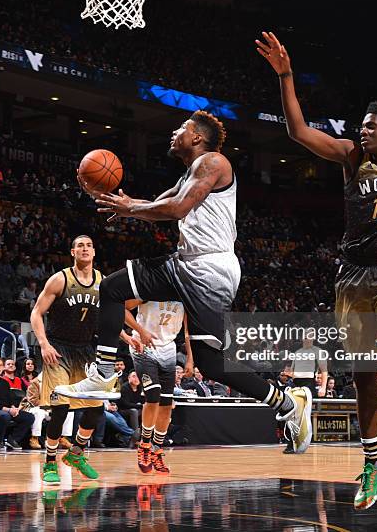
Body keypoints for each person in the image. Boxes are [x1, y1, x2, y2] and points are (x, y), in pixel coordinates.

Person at [256, 31, 377, 512]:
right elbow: (298, 133)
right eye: (360, 126)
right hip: (352, 276)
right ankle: (372, 464)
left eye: (369, 127)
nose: (360, 130)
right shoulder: (351, 157)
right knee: (364, 373)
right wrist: (286, 77)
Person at [63, 111, 312, 456]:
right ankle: (285, 404)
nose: (175, 133)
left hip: (208, 268)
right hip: (189, 264)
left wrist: (130, 208)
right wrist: (117, 202)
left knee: (118, 293)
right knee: (120, 294)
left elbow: (176, 209)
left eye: (182, 128)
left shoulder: (214, 162)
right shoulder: (189, 174)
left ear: (196, 137)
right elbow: (156, 205)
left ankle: (104, 373)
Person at [29, 234, 142, 484]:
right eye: (80, 245)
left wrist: (127, 338)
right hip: (58, 349)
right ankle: (49, 462)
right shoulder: (60, 279)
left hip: (85, 350)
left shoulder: (104, 282)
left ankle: (77, 453)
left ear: (93, 252)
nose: (85, 249)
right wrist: (44, 343)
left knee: (95, 409)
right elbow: (36, 313)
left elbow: (111, 318)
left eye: (89, 245)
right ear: (72, 252)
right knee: (60, 409)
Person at [126, 299, 192, 473]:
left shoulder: (183, 293)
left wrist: (190, 358)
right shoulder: (149, 288)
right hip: (143, 346)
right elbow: (122, 309)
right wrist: (140, 331)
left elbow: (187, 331)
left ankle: (157, 449)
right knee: (153, 395)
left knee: (166, 404)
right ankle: (145, 444)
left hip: (168, 350)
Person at [0, 358, 35, 451]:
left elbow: (10, 399)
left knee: (29, 417)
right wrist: (8, 409)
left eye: (0, 365)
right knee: (5, 416)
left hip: (8, 408)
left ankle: (13, 439)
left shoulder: (5, 383)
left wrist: (14, 408)